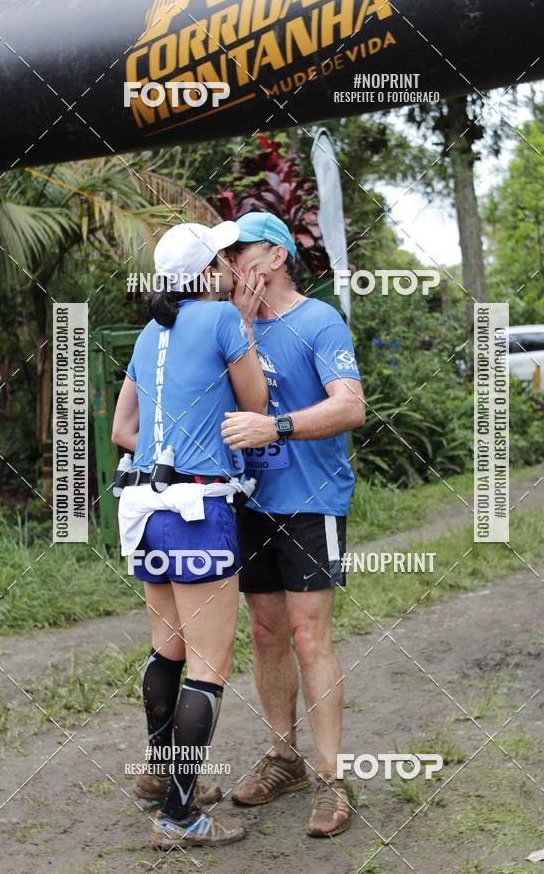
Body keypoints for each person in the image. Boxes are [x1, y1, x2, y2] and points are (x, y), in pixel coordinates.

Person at [111, 220, 268, 849]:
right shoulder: (223, 318)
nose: (233, 267)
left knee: (167, 649)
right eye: (222, 260)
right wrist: (247, 326)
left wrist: (169, 437)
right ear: (210, 273)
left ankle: (162, 779)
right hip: (199, 505)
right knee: (210, 664)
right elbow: (255, 407)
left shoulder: (153, 331)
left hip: (145, 505)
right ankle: (179, 816)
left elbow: (125, 427)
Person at [221, 212, 365, 837]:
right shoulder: (232, 324)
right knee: (267, 631)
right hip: (248, 502)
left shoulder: (318, 319)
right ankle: (285, 758)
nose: (228, 263)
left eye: (239, 251)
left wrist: (276, 426)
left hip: (310, 498)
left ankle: (333, 779)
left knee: (310, 636)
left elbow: (350, 406)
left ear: (275, 256)